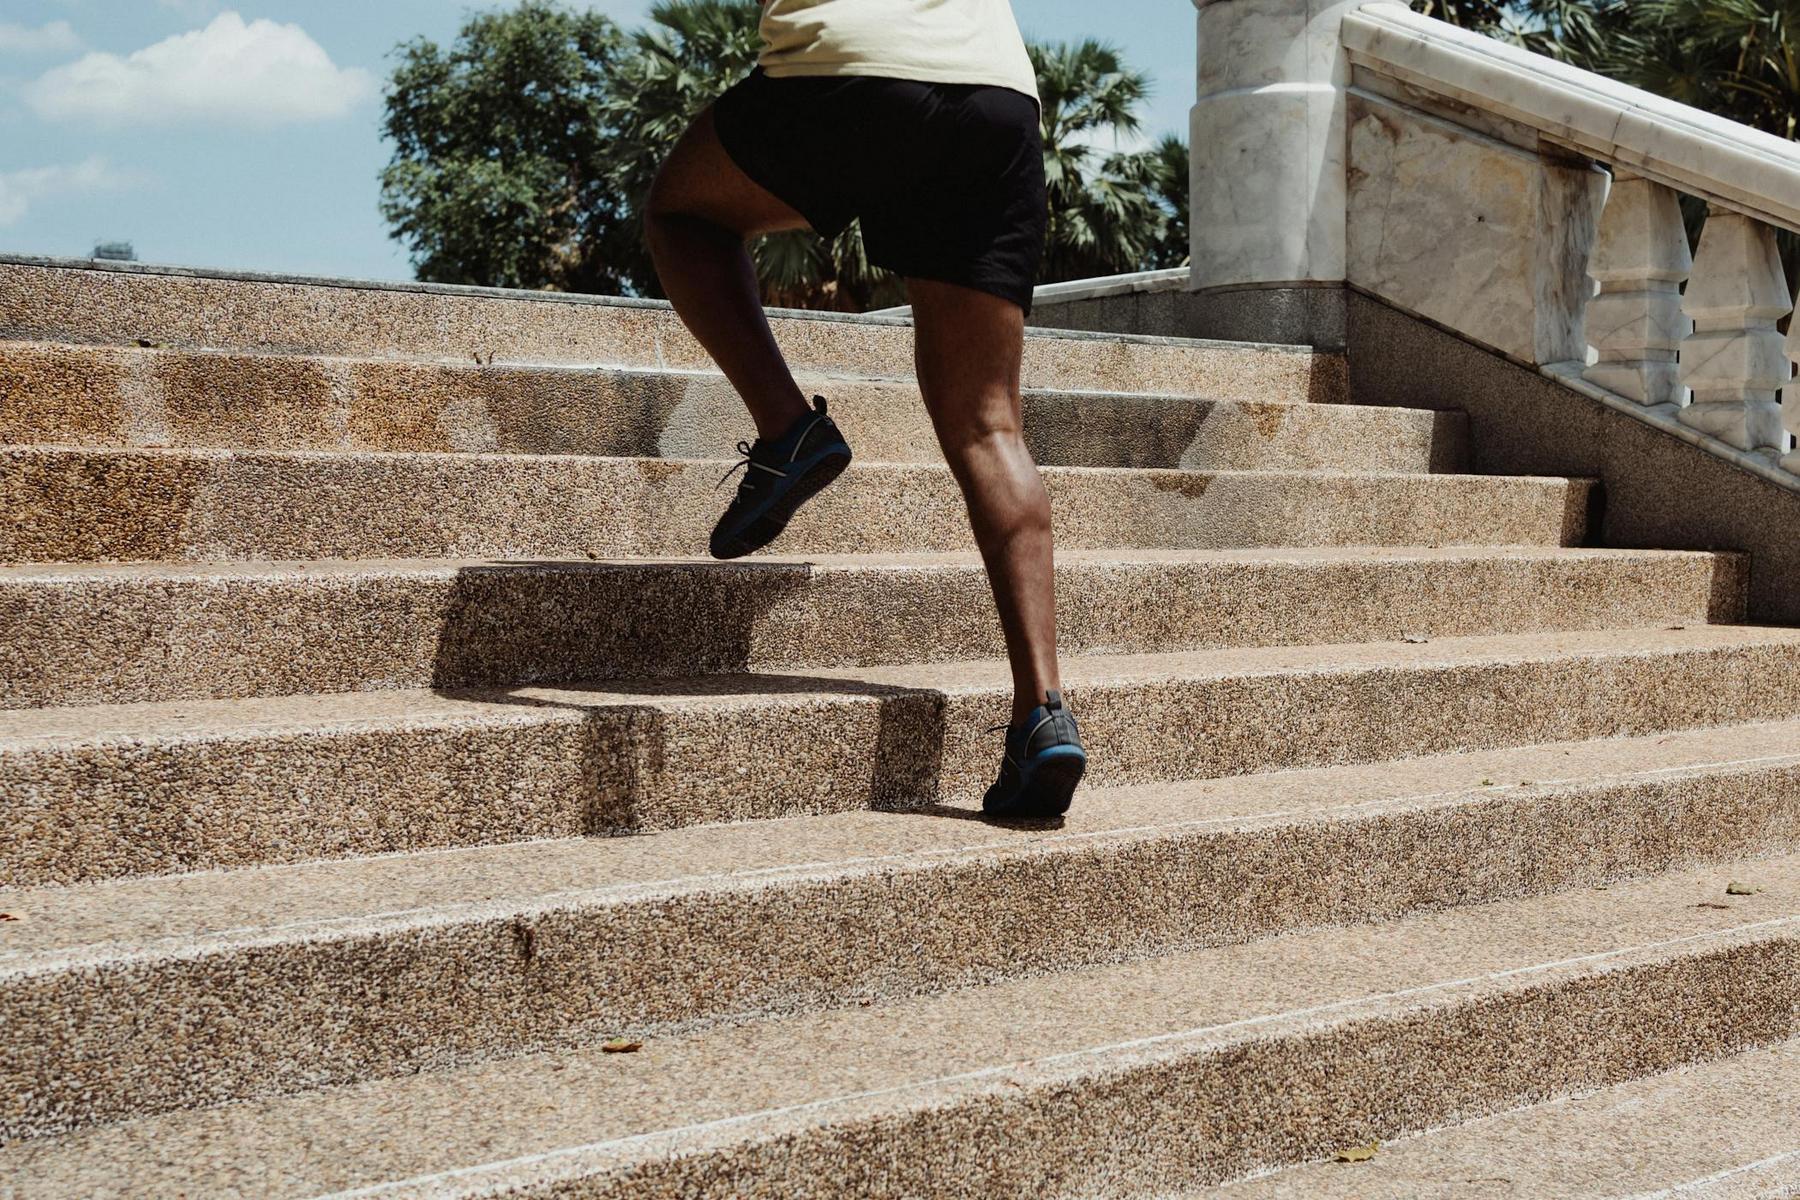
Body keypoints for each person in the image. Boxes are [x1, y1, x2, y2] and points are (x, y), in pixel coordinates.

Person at [644, 0, 1086, 818]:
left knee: (681, 209)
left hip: (858, 69)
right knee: (991, 427)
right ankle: (1042, 711)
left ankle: (788, 429)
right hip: (997, 93)